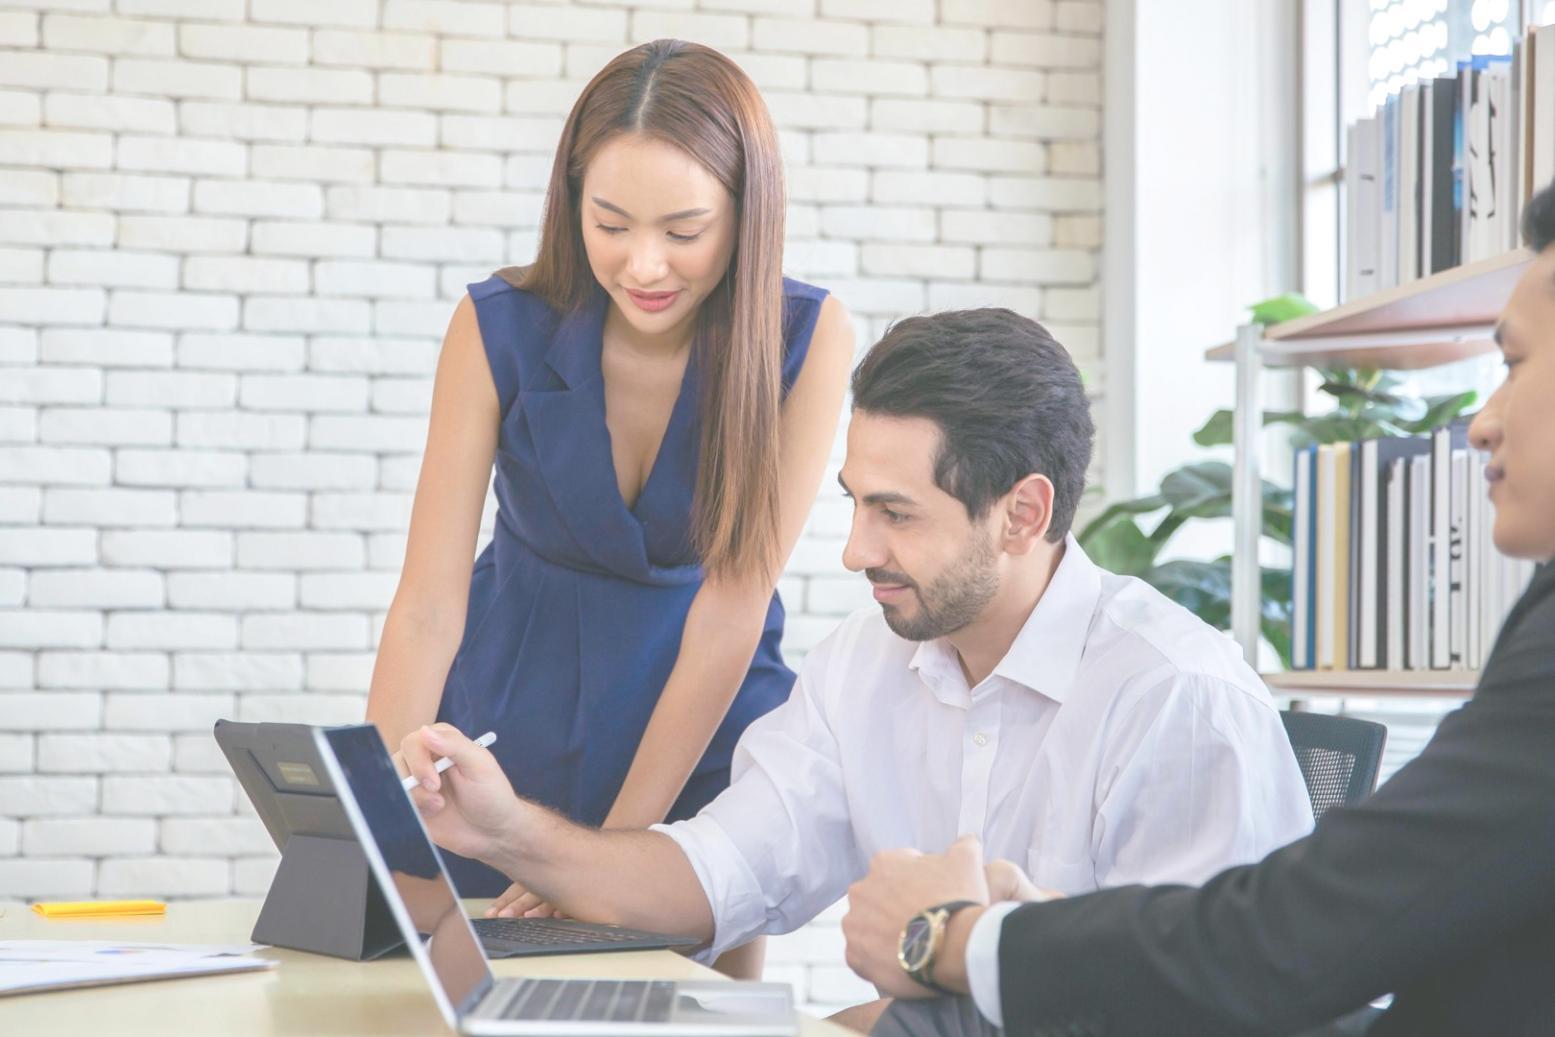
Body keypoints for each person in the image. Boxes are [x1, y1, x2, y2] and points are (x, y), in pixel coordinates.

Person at [395, 308, 1313, 1019]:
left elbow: (1196, 1008)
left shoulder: (1176, 698)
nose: (853, 549)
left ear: (1022, 513)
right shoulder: (864, 666)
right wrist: (507, 828)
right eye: (854, 503)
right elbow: (715, 873)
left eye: (896, 513)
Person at [839, 182, 1555, 1037]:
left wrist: (951, 937)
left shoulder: (1175, 685)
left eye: (1511, 364)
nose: (1480, 422)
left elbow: (1283, 947)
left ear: (1021, 514)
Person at [362, 38, 855, 985]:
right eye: (610, 222)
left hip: (698, 713)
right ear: (571, 200)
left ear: (746, 216)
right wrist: (372, 812)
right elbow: (427, 603)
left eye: (684, 229)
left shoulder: (805, 338)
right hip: (511, 706)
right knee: (461, 990)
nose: (642, 264)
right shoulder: (497, 322)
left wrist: (605, 862)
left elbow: (730, 606)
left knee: (684, 999)